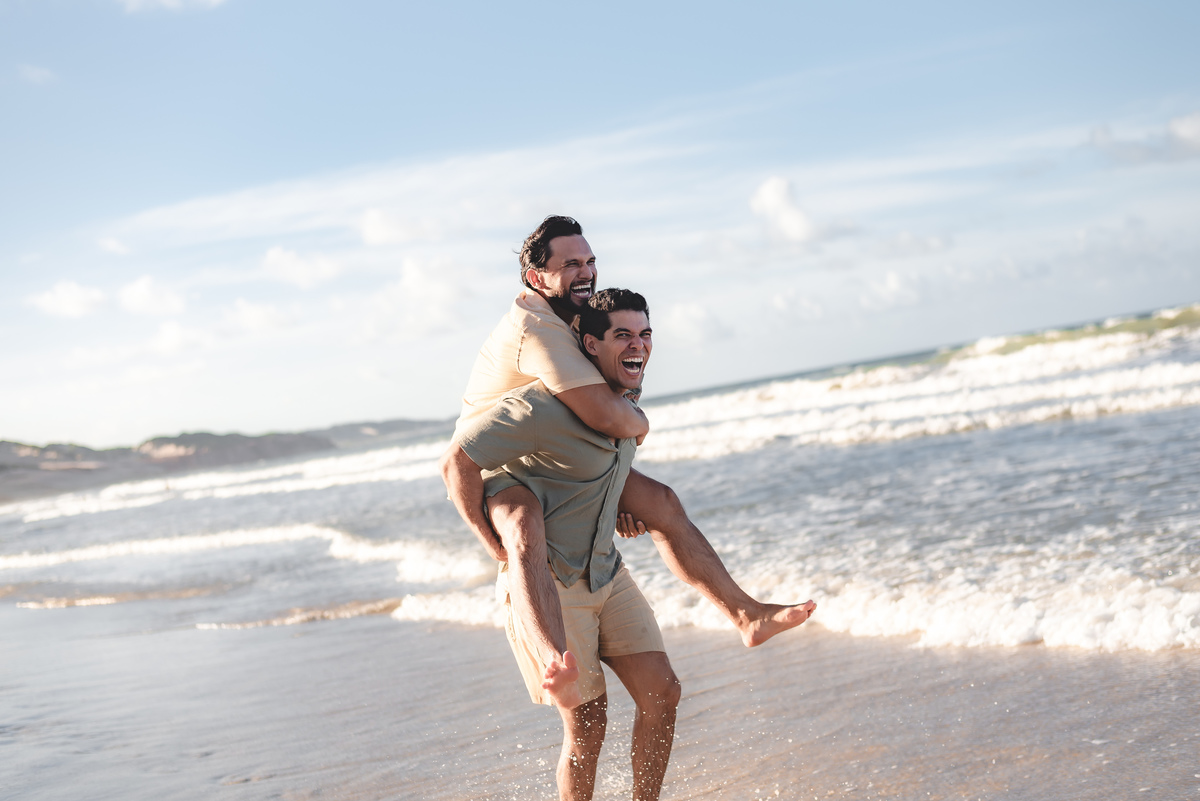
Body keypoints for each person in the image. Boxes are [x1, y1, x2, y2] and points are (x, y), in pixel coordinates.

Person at [445, 215, 812, 647]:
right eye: (570, 264)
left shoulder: (575, 317)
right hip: (496, 463)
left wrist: (609, 490)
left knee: (661, 503)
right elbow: (609, 416)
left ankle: (747, 616)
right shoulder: (537, 329)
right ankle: (555, 659)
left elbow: (618, 385)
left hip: (554, 450)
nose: (586, 272)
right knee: (524, 525)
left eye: (590, 261)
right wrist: (641, 425)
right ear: (536, 278)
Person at [443, 290, 714, 800]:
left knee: (663, 694)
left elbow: (597, 480)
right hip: (550, 582)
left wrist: (616, 512)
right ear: (590, 345)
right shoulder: (540, 406)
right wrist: (492, 542)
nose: (638, 345)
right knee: (588, 728)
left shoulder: (623, 404)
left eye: (645, 334)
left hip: (606, 572)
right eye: (622, 335)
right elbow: (455, 462)